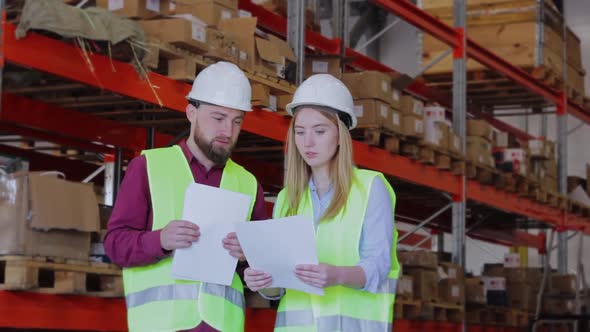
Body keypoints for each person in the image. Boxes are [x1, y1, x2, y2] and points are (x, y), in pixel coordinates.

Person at [104, 61, 268, 332]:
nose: (227, 131)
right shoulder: (148, 167)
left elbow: (262, 268)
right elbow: (114, 244)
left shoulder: (248, 183)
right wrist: (160, 239)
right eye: (218, 118)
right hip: (161, 325)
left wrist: (248, 255)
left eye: (236, 121)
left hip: (222, 326)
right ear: (191, 112)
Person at [243, 74, 400, 331]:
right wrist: (262, 280)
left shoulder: (371, 188)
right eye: (300, 132)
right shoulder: (287, 199)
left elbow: (378, 267)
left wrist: (336, 275)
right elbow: (279, 287)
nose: (308, 142)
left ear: (341, 134)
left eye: (320, 131)